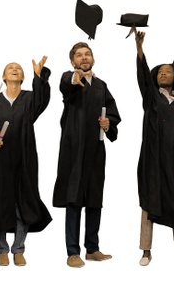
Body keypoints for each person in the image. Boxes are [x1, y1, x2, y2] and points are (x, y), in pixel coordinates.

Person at [52, 42, 121, 268]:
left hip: (95, 148)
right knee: (74, 197)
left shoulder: (101, 85)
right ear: (73, 61)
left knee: (94, 197)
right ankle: (73, 251)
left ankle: (92, 248)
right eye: (79, 55)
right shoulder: (69, 78)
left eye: (87, 54)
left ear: (93, 58)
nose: (84, 58)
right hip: (73, 147)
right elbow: (66, 85)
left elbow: (112, 113)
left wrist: (108, 122)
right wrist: (75, 79)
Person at [134, 30, 174, 266]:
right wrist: (140, 50)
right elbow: (142, 78)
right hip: (153, 161)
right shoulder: (152, 100)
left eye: (168, 71)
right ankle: (145, 250)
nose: (163, 72)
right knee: (149, 203)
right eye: (159, 71)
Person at [0, 57, 53, 267]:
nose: (14, 69)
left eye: (18, 69)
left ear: (23, 77)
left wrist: (39, 75)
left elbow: (42, 100)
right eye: (10, 68)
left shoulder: (30, 98)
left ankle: (19, 248)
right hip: (0, 158)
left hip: (25, 156)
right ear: (3, 77)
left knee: (23, 201)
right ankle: (2, 249)